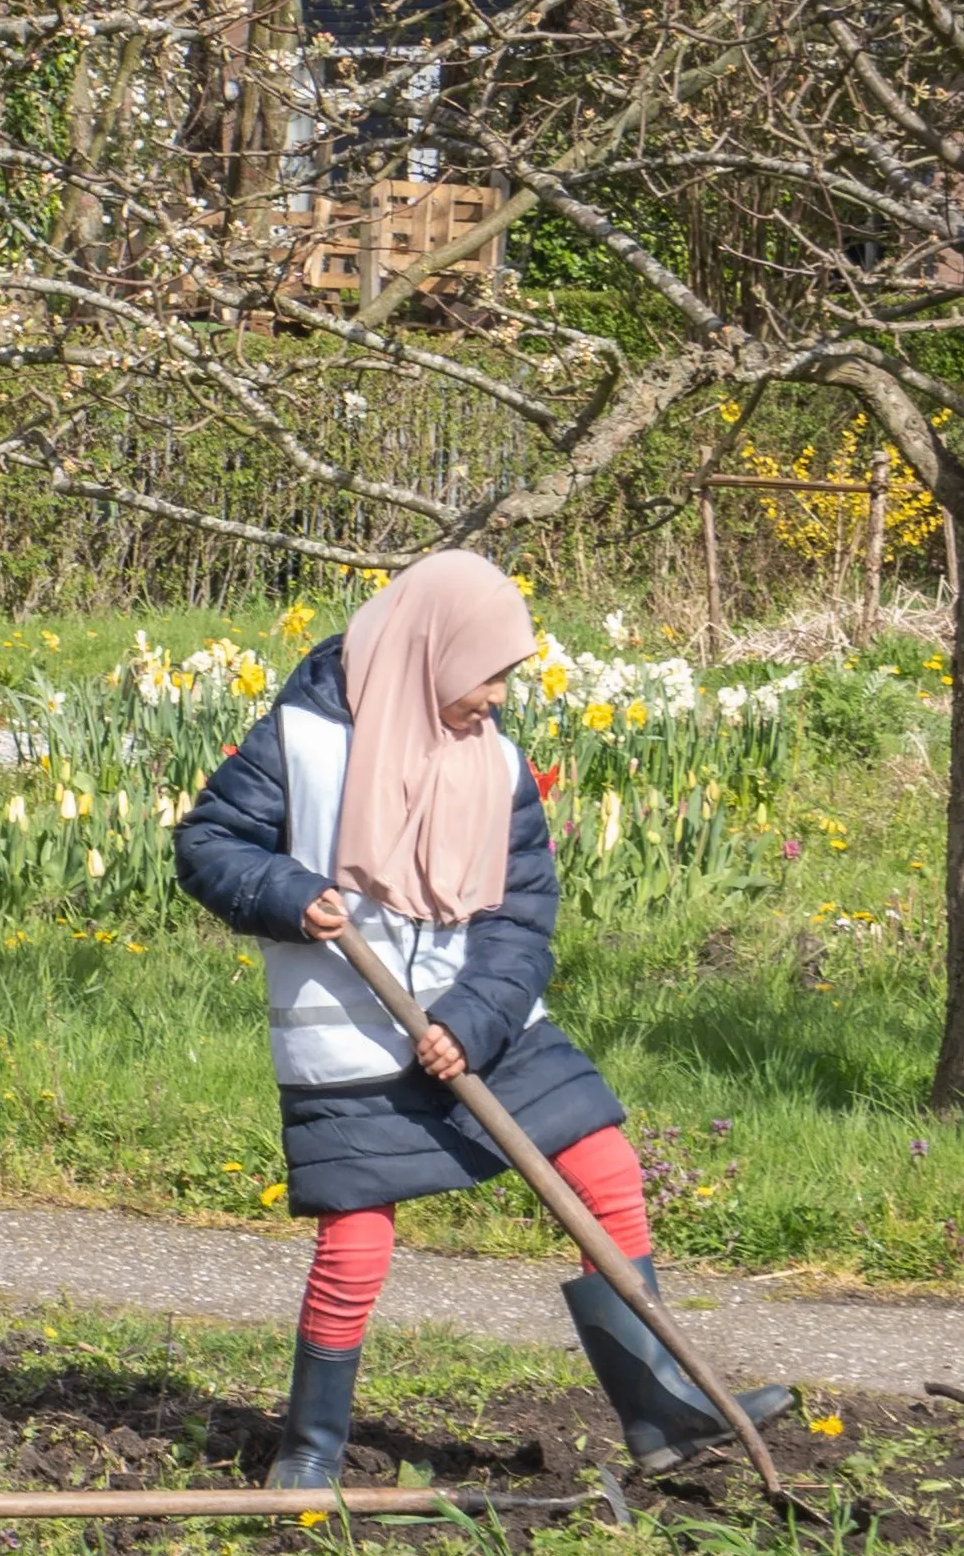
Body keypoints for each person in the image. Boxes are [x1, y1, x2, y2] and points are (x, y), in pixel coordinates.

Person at [173, 552, 793, 1485]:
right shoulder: (301, 741)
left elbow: (521, 914)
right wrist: (288, 891)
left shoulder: (496, 765)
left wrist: (473, 1017)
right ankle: (310, 1451)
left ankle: (661, 1407)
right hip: (346, 1030)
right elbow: (208, 842)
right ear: (431, 653)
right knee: (357, 1240)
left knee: (605, 1164)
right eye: (489, 672)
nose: (499, 697)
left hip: (486, 1022)